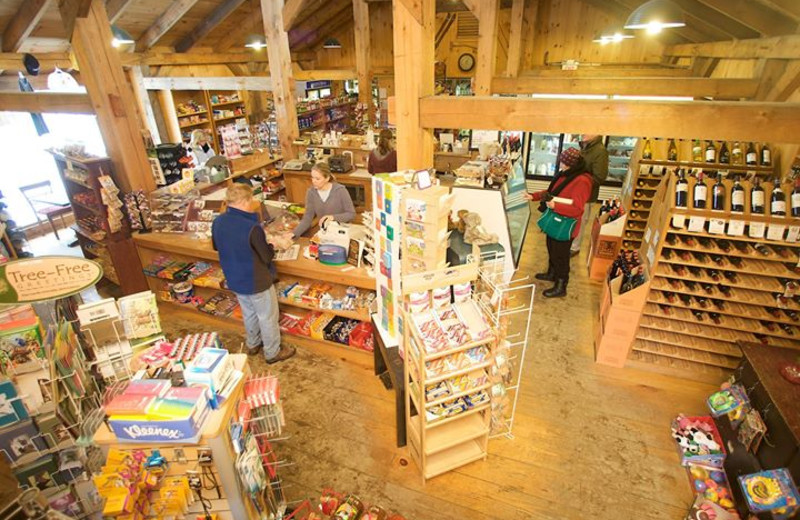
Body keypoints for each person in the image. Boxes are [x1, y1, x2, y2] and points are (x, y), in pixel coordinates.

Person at [212, 184, 296, 363]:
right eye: (251, 200)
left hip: (234, 278)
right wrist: (273, 244)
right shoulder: (252, 227)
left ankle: (253, 344)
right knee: (267, 316)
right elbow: (266, 256)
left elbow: (216, 246)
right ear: (244, 201)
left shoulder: (218, 221)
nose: (254, 204)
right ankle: (272, 352)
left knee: (248, 312)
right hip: (256, 280)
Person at [525, 147, 593, 298]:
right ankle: (552, 273)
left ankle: (561, 285)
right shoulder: (566, 174)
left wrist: (556, 206)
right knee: (551, 248)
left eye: (563, 162)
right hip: (556, 222)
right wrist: (533, 196)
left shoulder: (582, 181)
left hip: (566, 225)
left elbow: (577, 209)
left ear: (571, 164)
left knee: (561, 256)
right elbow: (552, 193)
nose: (560, 165)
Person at [569, 134, 609, 257]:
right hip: (576, 191)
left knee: (581, 221)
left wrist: (581, 181)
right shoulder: (585, 147)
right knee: (574, 219)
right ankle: (570, 243)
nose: (583, 133)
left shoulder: (600, 151)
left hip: (586, 194)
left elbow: (599, 177)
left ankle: (574, 247)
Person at [292, 162, 356, 238]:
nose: (313, 181)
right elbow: (307, 218)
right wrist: (294, 234)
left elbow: (351, 214)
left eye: (317, 179)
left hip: (341, 232)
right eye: (312, 177)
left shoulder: (340, 190)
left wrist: (333, 217)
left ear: (327, 178)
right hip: (324, 232)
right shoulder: (311, 192)